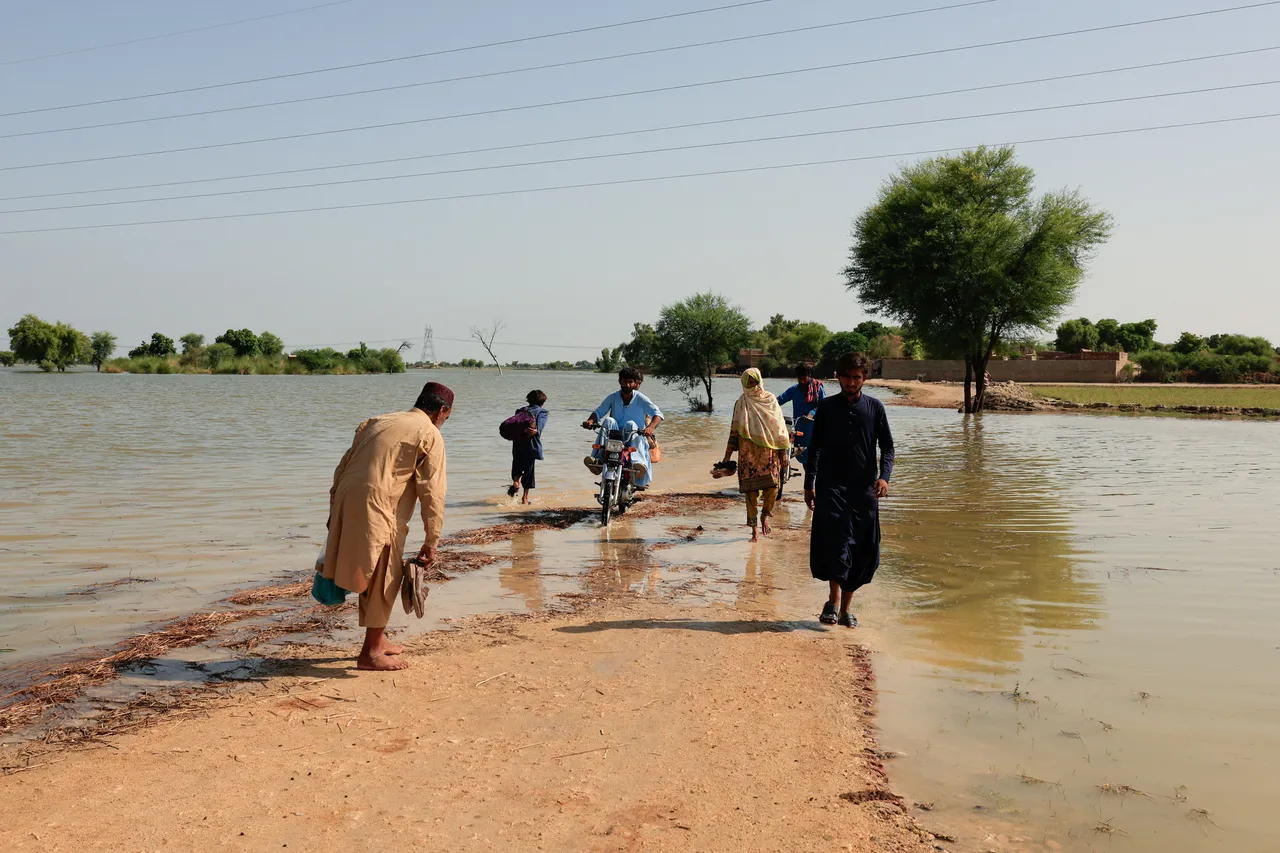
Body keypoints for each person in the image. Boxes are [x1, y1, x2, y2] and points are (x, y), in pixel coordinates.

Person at [324, 382, 453, 671]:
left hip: (347, 497)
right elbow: (433, 492)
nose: (445, 422)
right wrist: (432, 541)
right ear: (442, 411)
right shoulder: (429, 433)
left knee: (373, 571)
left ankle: (378, 641)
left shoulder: (378, 421)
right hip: (379, 507)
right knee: (384, 574)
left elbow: (343, 465)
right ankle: (370, 653)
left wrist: (335, 509)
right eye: (447, 417)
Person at [804, 353, 894, 628]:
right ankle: (832, 599)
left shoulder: (875, 408)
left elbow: (887, 447)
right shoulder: (827, 408)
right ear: (838, 377)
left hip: (864, 489)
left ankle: (846, 608)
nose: (852, 381)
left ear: (865, 378)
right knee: (836, 541)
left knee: (862, 547)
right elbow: (815, 448)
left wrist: (884, 477)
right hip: (831, 486)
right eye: (847, 376)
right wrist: (809, 483)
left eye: (857, 377)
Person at [721, 368, 791, 541]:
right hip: (748, 454)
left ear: (760, 381)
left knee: (773, 488)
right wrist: (727, 457)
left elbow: (780, 428)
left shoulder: (770, 400)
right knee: (750, 493)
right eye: (748, 383)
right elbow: (734, 430)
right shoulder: (741, 403)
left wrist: (784, 454)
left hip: (769, 452)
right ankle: (754, 530)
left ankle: (765, 516)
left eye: (754, 382)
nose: (752, 386)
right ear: (744, 385)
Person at [582, 366, 663, 488]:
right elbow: (599, 412)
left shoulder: (640, 398)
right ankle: (597, 459)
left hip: (634, 436)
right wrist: (590, 421)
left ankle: (638, 464)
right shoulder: (613, 397)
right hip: (615, 438)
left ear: (635, 383)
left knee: (631, 424)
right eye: (624, 381)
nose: (627, 385)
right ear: (620, 381)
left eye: (630, 382)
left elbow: (658, 414)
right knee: (608, 420)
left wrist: (650, 427)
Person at [776, 362, 826, 465]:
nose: (802, 382)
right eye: (800, 379)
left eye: (805, 379)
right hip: (798, 426)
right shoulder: (794, 390)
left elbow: (824, 405)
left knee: (813, 457)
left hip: (813, 427)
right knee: (801, 455)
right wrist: (767, 405)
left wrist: (812, 412)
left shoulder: (818, 389)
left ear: (809, 376)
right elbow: (779, 400)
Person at [509, 390, 548, 505]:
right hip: (531, 446)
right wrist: (536, 431)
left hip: (517, 444)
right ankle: (525, 498)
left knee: (516, 466)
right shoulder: (542, 412)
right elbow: (539, 428)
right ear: (542, 402)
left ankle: (516, 482)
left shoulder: (520, 410)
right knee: (529, 471)